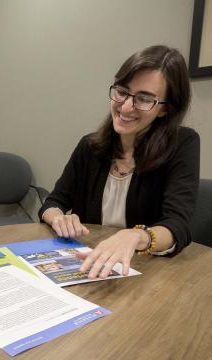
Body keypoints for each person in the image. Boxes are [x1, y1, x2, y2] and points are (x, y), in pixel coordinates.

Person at [39, 45, 199, 281]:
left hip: (148, 275)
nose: (125, 107)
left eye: (144, 99)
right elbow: (53, 202)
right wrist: (59, 218)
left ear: (165, 110)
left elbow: (179, 225)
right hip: (92, 269)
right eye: (122, 92)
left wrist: (136, 236)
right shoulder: (90, 146)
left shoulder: (182, 144)